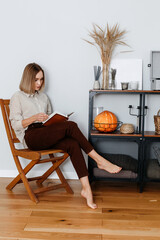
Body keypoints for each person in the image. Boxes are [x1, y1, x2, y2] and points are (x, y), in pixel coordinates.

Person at [10, 63, 122, 209]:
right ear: (27, 79)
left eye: (41, 79)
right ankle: (99, 160)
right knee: (72, 126)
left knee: (72, 144)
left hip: (45, 133)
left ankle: (86, 189)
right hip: (31, 137)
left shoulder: (43, 97)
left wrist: (54, 120)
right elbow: (15, 125)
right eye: (36, 80)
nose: (39, 83)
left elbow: (49, 120)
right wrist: (34, 118)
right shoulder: (17, 96)